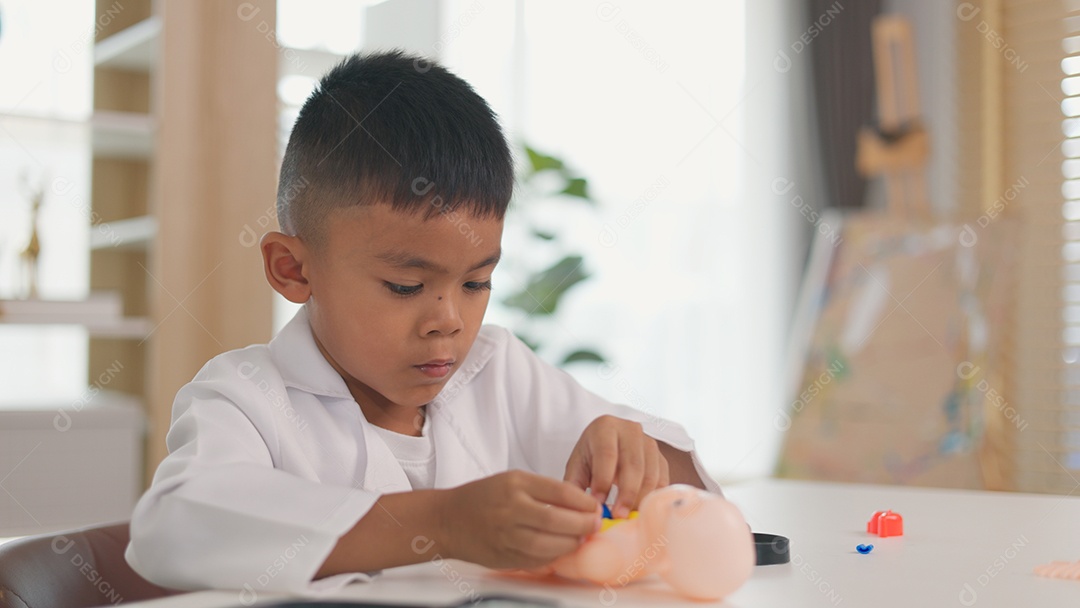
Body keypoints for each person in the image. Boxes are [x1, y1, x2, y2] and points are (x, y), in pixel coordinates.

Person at [125, 50, 720, 595]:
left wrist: (639, 456)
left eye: (476, 283)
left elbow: (693, 495)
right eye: (406, 286)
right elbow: (175, 526)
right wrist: (444, 522)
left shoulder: (499, 371)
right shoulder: (245, 398)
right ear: (293, 269)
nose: (449, 322)